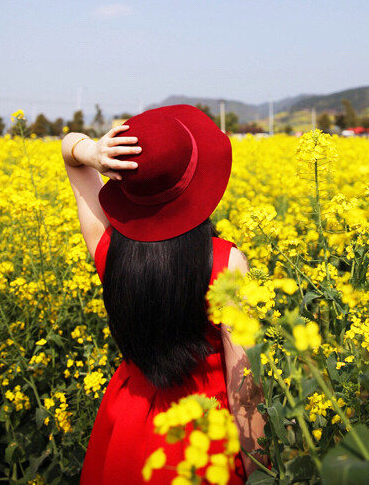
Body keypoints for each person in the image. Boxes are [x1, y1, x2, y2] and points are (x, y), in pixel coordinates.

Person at [61, 105, 266, 484]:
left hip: (127, 419)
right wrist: (261, 472)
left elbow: (72, 158)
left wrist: (90, 152)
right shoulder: (227, 263)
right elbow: (245, 390)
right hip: (205, 433)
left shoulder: (108, 250)